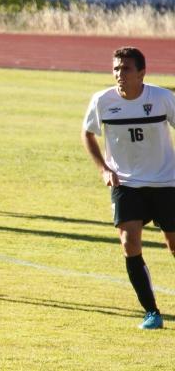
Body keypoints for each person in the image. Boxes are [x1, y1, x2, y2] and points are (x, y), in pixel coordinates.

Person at [81, 46, 175, 330]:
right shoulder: (102, 101)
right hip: (126, 182)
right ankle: (152, 312)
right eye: (116, 69)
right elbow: (88, 133)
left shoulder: (161, 99)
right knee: (129, 241)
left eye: (126, 69)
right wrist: (103, 168)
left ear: (142, 73)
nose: (119, 74)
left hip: (165, 181)